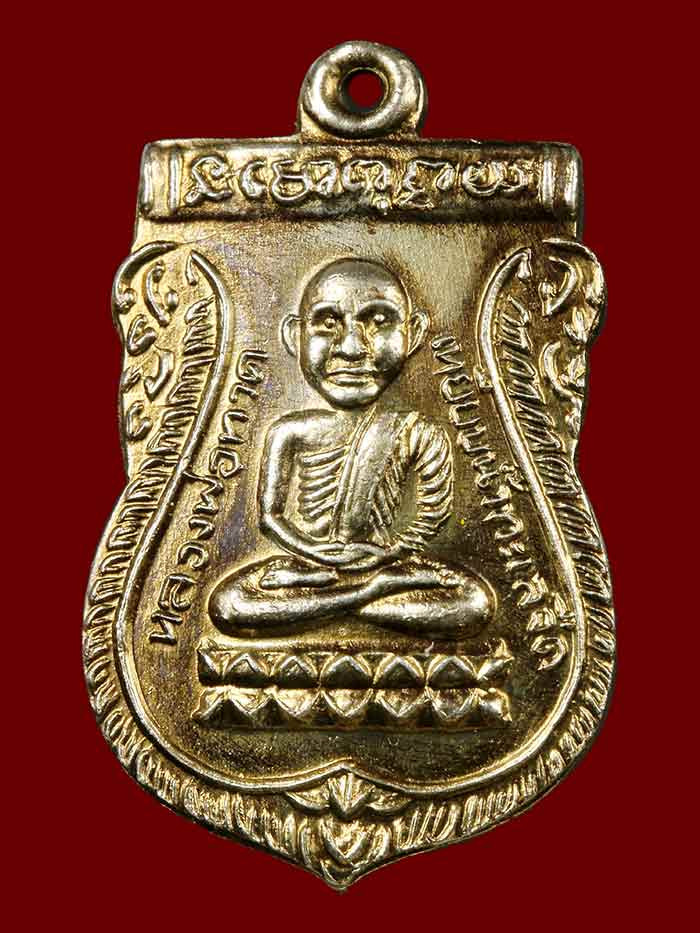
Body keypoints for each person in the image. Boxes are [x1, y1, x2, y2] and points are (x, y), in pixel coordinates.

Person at [209, 258, 494, 639]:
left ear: (413, 334)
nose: (352, 348)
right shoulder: (290, 431)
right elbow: (270, 519)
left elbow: (432, 514)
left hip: (387, 564)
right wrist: (315, 553)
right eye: (328, 323)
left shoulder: (421, 432)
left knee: (472, 604)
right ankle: (366, 596)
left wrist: (389, 554)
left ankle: (330, 606)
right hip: (307, 568)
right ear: (295, 336)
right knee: (230, 604)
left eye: (379, 322)